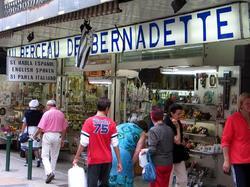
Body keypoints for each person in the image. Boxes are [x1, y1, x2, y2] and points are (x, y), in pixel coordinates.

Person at [73, 97, 122, 187]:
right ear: (107, 108)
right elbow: (115, 144)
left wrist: (76, 157)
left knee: (92, 184)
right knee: (104, 184)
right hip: (107, 160)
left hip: (94, 159)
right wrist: (119, 161)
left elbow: (83, 142)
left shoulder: (89, 121)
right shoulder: (111, 123)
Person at [33, 99, 68, 184]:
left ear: (49, 105)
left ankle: (49, 172)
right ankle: (53, 172)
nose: (46, 107)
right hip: (58, 135)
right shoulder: (61, 114)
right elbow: (64, 129)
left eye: (47, 106)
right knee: (54, 156)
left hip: (48, 134)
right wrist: (63, 139)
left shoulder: (46, 114)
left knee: (44, 155)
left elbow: (41, 128)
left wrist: (34, 135)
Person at [221, 92, 250, 187]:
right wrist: (226, 160)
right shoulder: (232, 119)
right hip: (238, 162)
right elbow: (225, 141)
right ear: (241, 105)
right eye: (247, 103)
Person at [141, 106, 174, 187]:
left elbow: (152, 149)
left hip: (158, 163)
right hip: (169, 162)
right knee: (164, 184)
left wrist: (145, 151)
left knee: (156, 184)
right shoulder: (169, 129)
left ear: (152, 117)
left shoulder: (153, 130)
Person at [109, 120, 148, 187]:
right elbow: (137, 151)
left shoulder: (119, 126)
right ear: (144, 130)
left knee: (111, 178)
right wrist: (131, 164)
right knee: (126, 179)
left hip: (110, 151)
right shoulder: (142, 133)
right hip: (124, 154)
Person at [164, 104, 188, 187]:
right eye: (178, 114)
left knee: (183, 179)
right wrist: (177, 127)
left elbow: (179, 140)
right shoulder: (167, 123)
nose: (180, 115)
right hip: (169, 155)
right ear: (172, 113)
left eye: (181, 113)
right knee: (169, 181)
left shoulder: (176, 121)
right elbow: (177, 141)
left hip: (178, 154)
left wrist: (183, 142)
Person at [20, 99, 43, 167]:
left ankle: (27, 162)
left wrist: (21, 132)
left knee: (27, 147)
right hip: (37, 131)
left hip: (28, 130)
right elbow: (41, 124)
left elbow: (24, 123)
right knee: (35, 147)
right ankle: (38, 160)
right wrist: (40, 133)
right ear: (37, 106)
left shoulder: (27, 113)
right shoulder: (40, 114)